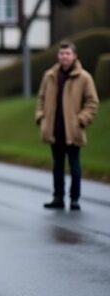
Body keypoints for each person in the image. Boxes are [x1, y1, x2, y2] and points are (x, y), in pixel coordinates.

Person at [35, 41, 99, 211]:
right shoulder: (50, 76)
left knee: (74, 166)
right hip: (54, 129)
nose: (65, 57)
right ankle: (58, 197)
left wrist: (81, 120)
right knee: (57, 165)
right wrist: (41, 117)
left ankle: (74, 199)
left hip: (73, 130)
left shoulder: (84, 77)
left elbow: (92, 102)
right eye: (62, 54)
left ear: (75, 56)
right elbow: (41, 98)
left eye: (68, 54)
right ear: (58, 56)